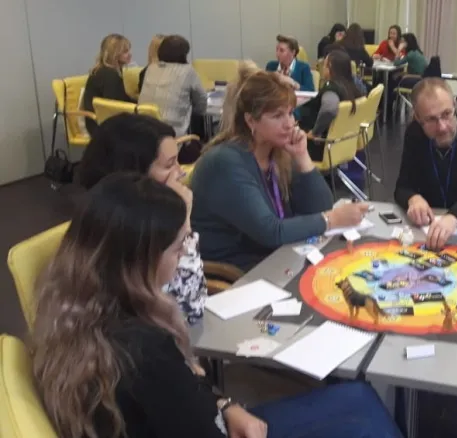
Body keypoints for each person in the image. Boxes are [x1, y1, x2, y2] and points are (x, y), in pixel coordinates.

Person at [31, 173, 403, 438]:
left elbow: (186, 396)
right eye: (179, 246)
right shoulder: (142, 349)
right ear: (142, 259)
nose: (184, 255)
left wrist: (225, 405)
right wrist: (224, 411)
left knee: (357, 399)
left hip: (202, 418)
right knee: (360, 409)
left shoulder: (81, 308)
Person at [191, 71, 369, 271]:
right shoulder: (226, 162)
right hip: (237, 272)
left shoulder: (277, 151)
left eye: (290, 113)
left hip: (275, 256)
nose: (289, 124)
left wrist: (302, 156)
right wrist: (332, 219)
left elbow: (321, 206)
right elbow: (271, 231)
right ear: (250, 121)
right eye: (277, 116)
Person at [78, 113, 207, 325]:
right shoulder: (119, 238)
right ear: (135, 175)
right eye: (169, 165)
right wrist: (183, 219)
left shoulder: (129, 219)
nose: (180, 172)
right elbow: (189, 309)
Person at [394, 78, 457, 249]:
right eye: (431, 119)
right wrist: (413, 199)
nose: (442, 127)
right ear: (417, 117)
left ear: (455, 104)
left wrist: (453, 217)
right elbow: (402, 187)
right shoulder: (415, 134)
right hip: (430, 232)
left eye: (446, 114)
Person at [138, 34, 208, 138]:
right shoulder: (187, 71)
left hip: (143, 132)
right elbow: (201, 100)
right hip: (171, 136)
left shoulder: (150, 69)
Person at [299, 50, 363, 159]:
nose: (322, 68)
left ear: (330, 67)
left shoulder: (332, 89)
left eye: (324, 65)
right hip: (343, 142)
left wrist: (315, 132)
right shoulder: (352, 86)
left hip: (320, 145)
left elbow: (329, 109)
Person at [82, 33, 135, 134]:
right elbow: (114, 106)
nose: (130, 54)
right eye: (125, 51)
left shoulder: (103, 70)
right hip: (102, 126)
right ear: (114, 54)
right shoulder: (109, 75)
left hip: (98, 122)